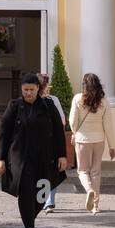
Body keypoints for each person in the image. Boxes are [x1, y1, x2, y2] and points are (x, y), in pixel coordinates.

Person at [0, 72, 67, 228]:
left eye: (32, 90)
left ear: (38, 89)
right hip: (21, 159)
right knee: (26, 193)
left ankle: (29, 217)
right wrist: (0, 158)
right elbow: (4, 133)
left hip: (45, 158)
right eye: (26, 89)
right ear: (22, 89)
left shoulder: (49, 106)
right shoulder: (14, 106)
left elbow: (59, 132)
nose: (28, 93)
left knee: (42, 193)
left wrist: (62, 155)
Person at [68, 72, 115, 213]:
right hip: (99, 140)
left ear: (84, 85)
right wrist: (112, 146)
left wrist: (74, 132)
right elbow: (108, 126)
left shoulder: (77, 99)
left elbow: (72, 121)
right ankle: (95, 205)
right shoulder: (104, 102)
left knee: (83, 171)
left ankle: (89, 190)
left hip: (83, 139)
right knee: (96, 172)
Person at [37, 73, 66, 212]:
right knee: (50, 172)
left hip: (44, 144)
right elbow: (62, 121)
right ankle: (49, 202)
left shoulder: (51, 100)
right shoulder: (53, 100)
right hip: (50, 142)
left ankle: (44, 201)